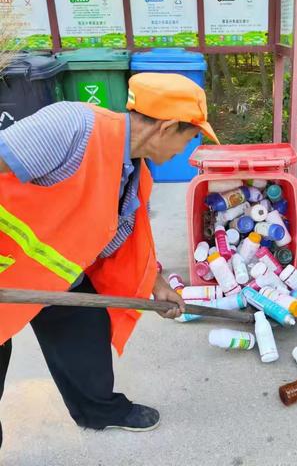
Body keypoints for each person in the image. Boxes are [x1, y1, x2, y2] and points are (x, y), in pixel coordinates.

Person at [0, 72, 219, 445]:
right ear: (166, 128)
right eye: (191, 137)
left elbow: (125, 236)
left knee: (86, 334)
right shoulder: (71, 126)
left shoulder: (134, 169)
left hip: (58, 276)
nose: (189, 149)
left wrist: (157, 284)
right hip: (9, 272)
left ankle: (99, 409)